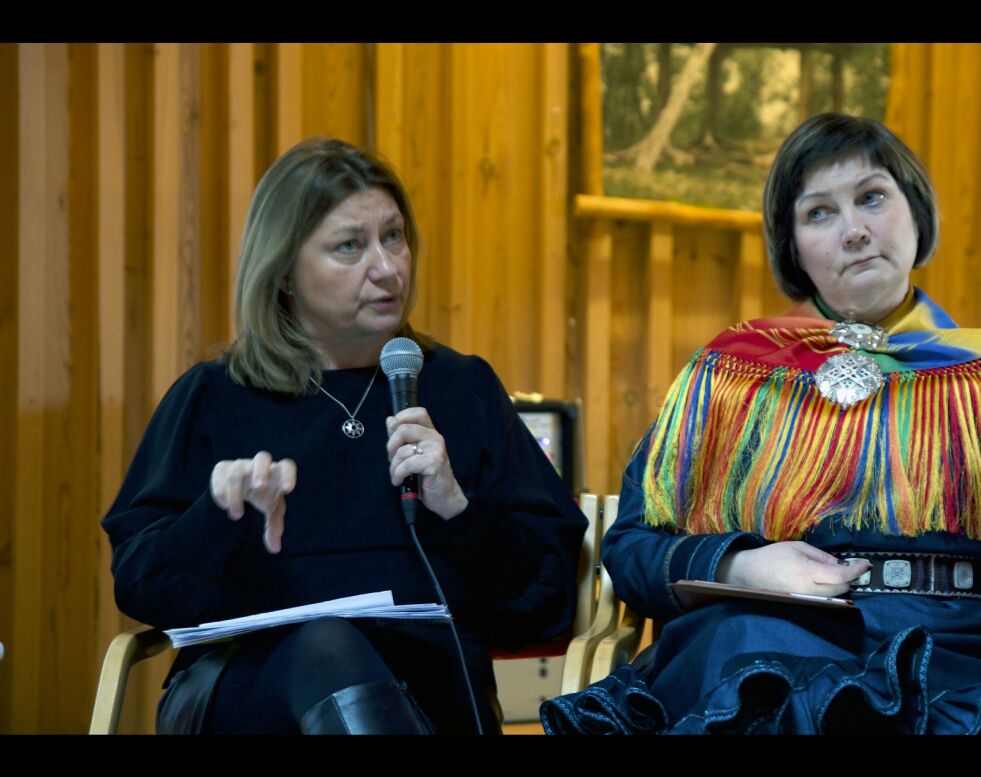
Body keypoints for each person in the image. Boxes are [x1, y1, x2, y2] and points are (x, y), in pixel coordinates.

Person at [102, 137, 587, 735]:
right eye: (350, 247)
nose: (387, 268)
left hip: (431, 689)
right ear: (283, 274)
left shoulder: (461, 391)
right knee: (326, 645)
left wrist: (458, 510)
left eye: (394, 237)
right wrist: (215, 517)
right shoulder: (213, 398)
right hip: (246, 694)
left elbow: (547, 602)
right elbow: (142, 588)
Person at [541, 113, 981, 735]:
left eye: (872, 197)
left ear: (916, 211)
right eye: (819, 213)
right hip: (766, 646)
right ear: (792, 247)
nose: (854, 230)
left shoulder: (976, 377)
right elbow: (634, 548)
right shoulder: (733, 376)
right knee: (749, 652)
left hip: (950, 657)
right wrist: (738, 567)